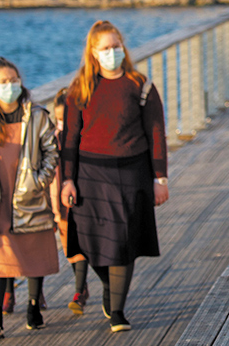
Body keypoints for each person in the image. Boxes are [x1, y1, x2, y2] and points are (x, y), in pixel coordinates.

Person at [61, 21, 169, 332]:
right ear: (93, 53)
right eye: (106, 49)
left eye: (116, 47)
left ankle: (118, 310)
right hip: (90, 174)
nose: (112, 53)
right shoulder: (79, 89)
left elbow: (157, 133)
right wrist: (68, 179)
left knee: (124, 241)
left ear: (124, 48)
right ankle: (109, 288)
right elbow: (70, 138)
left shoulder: (141, 85)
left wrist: (160, 178)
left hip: (132, 171)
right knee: (91, 241)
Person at [0, 57, 59, 337]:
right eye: (4, 81)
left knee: (34, 248)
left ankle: (33, 308)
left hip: (29, 193)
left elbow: (51, 152)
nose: (11, 86)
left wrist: (38, 181)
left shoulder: (36, 116)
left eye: (14, 80)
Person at [49, 88, 90, 315]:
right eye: (58, 119)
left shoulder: (81, 138)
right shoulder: (51, 139)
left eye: (66, 119)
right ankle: (81, 287)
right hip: (59, 205)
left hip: (81, 198)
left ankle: (79, 291)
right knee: (69, 249)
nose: (62, 124)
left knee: (81, 245)